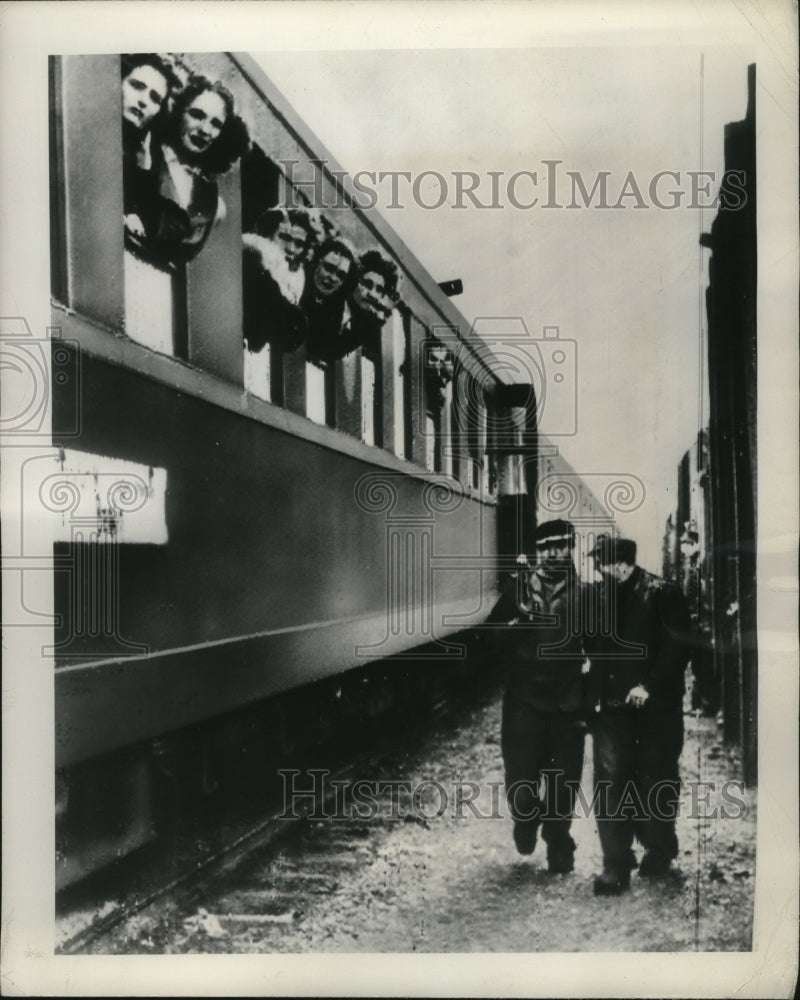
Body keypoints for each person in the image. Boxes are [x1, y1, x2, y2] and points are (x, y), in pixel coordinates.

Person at [488, 519, 594, 874]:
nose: (554, 553)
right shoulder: (517, 589)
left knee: (564, 783)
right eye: (546, 547)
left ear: (570, 548)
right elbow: (488, 638)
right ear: (537, 552)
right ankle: (525, 818)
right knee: (521, 781)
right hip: (524, 701)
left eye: (561, 545)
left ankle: (559, 842)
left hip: (567, 702)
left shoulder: (585, 594)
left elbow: (601, 649)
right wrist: (515, 625)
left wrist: (593, 693)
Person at [588, 534, 692, 895]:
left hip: (656, 712)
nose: (599, 571)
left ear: (620, 563)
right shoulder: (600, 596)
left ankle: (659, 847)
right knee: (610, 781)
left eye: (602, 564)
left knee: (655, 780)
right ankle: (615, 865)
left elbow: (677, 647)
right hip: (613, 710)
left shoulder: (663, 592)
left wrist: (648, 686)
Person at [136, 74, 249, 266]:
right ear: (179, 111)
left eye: (216, 124)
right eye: (197, 115)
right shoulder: (146, 151)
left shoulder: (211, 199)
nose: (205, 130)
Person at [120, 53, 180, 243]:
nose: (144, 101)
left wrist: (145, 167)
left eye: (155, 98)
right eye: (137, 86)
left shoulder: (147, 158)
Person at [302, 236, 357, 364]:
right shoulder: (298, 284)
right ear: (316, 262)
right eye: (329, 268)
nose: (333, 278)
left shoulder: (338, 309)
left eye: (341, 275)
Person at [339, 249, 401, 358]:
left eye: (379, 290)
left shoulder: (375, 333)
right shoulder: (335, 307)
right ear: (356, 281)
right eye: (367, 284)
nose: (372, 294)